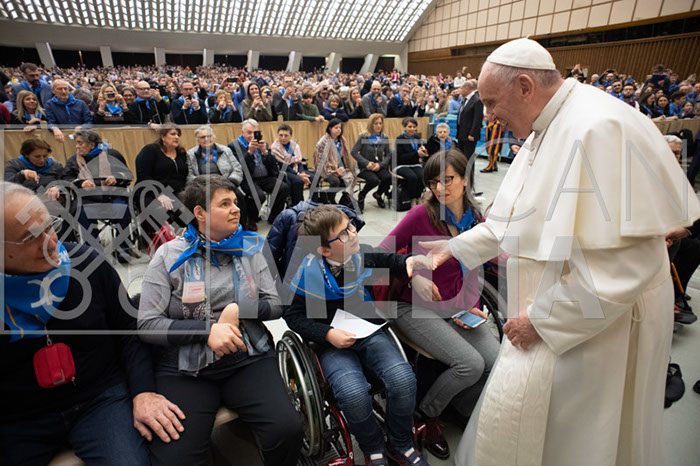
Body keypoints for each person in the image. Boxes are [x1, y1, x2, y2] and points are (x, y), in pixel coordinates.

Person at [418, 38, 700, 466]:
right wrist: (454, 248)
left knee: (577, 440)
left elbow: (624, 266)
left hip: (597, 323)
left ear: (525, 86)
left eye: (491, 102)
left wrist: (543, 320)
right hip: (557, 309)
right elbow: (513, 217)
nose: (488, 115)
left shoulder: (598, 128)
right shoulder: (544, 127)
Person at [0, 182, 184, 465]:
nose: (50, 242)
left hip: (100, 399)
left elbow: (129, 331)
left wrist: (143, 392)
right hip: (20, 418)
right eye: (31, 237)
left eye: (49, 227)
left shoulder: (87, 262)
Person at [137, 175, 303, 466]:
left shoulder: (250, 248)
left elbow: (276, 304)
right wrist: (208, 330)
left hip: (246, 357)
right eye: (224, 204)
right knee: (177, 458)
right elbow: (148, 324)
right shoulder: (169, 256)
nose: (236, 209)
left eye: (235, 202)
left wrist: (238, 309)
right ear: (199, 213)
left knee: (287, 430)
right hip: (186, 367)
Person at [284, 205, 430, 466]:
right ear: (324, 250)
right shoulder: (306, 273)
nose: (352, 234)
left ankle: (400, 441)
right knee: (352, 393)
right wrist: (328, 334)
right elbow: (293, 316)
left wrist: (407, 262)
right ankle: (372, 446)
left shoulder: (359, 255)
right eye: (342, 234)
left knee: (403, 378)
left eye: (350, 226)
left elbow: (389, 261)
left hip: (367, 329)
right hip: (331, 343)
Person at [379, 150, 500, 460]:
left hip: (456, 308)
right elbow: (378, 254)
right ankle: (425, 414)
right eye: (433, 182)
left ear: (465, 179)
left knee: (495, 360)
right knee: (470, 365)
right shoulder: (421, 215)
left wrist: (471, 303)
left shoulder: (476, 219)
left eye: (448, 179)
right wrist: (412, 274)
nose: (440, 188)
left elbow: (476, 267)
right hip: (412, 307)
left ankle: (458, 407)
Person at [62, 129, 134, 262]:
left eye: (80, 143)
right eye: (76, 143)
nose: (77, 146)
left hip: (112, 197)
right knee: (82, 212)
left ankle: (123, 249)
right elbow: (66, 179)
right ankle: (94, 252)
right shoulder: (73, 160)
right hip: (88, 199)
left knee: (123, 209)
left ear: (92, 144)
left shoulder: (112, 154)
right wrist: (81, 183)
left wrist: (116, 178)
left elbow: (128, 174)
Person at [228, 119, 290, 228]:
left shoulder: (262, 143)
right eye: (249, 132)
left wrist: (265, 152)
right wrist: (250, 152)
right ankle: (251, 218)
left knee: (283, 187)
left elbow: (273, 165)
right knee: (259, 196)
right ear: (242, 132)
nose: (252, 136)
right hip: (248, 178)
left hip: (265, 177)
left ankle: (274, 217)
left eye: (255, 132)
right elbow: (239, 167)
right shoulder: (234, 146)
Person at [135, 124, 190, 240]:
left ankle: (184, 238)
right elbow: (143, 175)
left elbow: (184, 176)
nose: (176, 137)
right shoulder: (150, 150)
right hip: (149, 191)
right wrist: (159, 194)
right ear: (163, 137)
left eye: (178, 134)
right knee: (160, 210)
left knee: (187, 211)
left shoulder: (181, 153)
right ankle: (156, 241)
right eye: (173, 134)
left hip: (175, 192)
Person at [350, 113, 392, 210]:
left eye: (380, 123)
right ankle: (362, 195)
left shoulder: (384, 137)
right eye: (376, 123)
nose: (378, 126)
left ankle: (378, 195)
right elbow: (354, 152)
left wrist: (380, 165)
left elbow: (388, 154)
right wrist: (366, 163)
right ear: (370, 124)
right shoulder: (364, 136)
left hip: (378, 166)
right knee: (374, 180)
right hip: (364, 167)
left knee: (387, 177)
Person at [312, 118, 357, 209]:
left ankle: (336, 197)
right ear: (330, 128)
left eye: (340, 128)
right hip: (325, 168)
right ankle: (331, 199)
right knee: (335, 181)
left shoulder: (342, 140)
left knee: (350, 177)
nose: (338, 130)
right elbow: (321, 161)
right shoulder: (323, 142)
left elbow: (344, 157)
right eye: (336, 128)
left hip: (338, 167)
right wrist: (335, 170)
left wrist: (342, 168)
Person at [270, 124, 312, 206]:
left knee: (315, 178)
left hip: (296, 168)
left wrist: (302, 172)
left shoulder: (294, 145)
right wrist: (298, 174)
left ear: (291, 136)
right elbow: (283, 165)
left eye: (286, 135)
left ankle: (313, 203)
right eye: (280, 135)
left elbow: (299, 161)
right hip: (283, 170)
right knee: (298, 181)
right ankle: (297, 205)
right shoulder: (275, 147)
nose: (283, 138)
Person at [456, 79, 483, 194]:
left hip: (469, 136)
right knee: (462, 159)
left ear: (467, 89)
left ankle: (470, 186)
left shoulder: (477, 100)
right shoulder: (464, 100)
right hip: (461, 134)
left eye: (461, 88)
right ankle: (463, 183)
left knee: (469, 160)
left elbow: (477, 118)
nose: (460, 90)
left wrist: (472, 133)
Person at [394, 117, 427, 206]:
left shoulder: (417, 138)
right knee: (412, 177)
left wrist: (423, 151)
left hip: (415, 164)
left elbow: (419, 154)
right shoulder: (399, 139)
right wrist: (416, 153)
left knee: (422, 175)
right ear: (404, 127)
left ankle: (418, 197)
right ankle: (411, 198)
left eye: (414, 127)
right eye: (410, 126)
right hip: (402, 164)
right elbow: (401, 157)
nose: (412, 129)